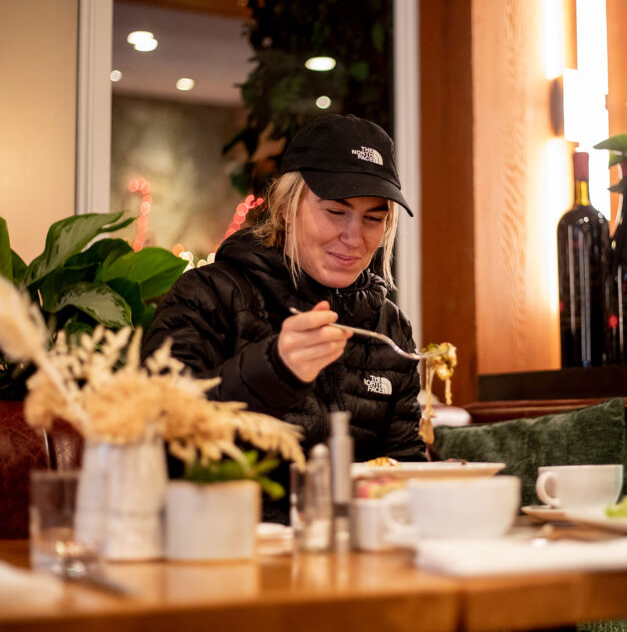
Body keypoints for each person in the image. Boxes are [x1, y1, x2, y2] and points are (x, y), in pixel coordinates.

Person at [142, 114, 426, 521]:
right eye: (335, 211)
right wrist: (273, 372)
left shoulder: (389, 328)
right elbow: (156, 432)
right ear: (286, 207)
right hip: (228, 547)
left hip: (355, 560)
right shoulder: (208, 295)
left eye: (373, 218)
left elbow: (403, 469)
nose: (354, 237)